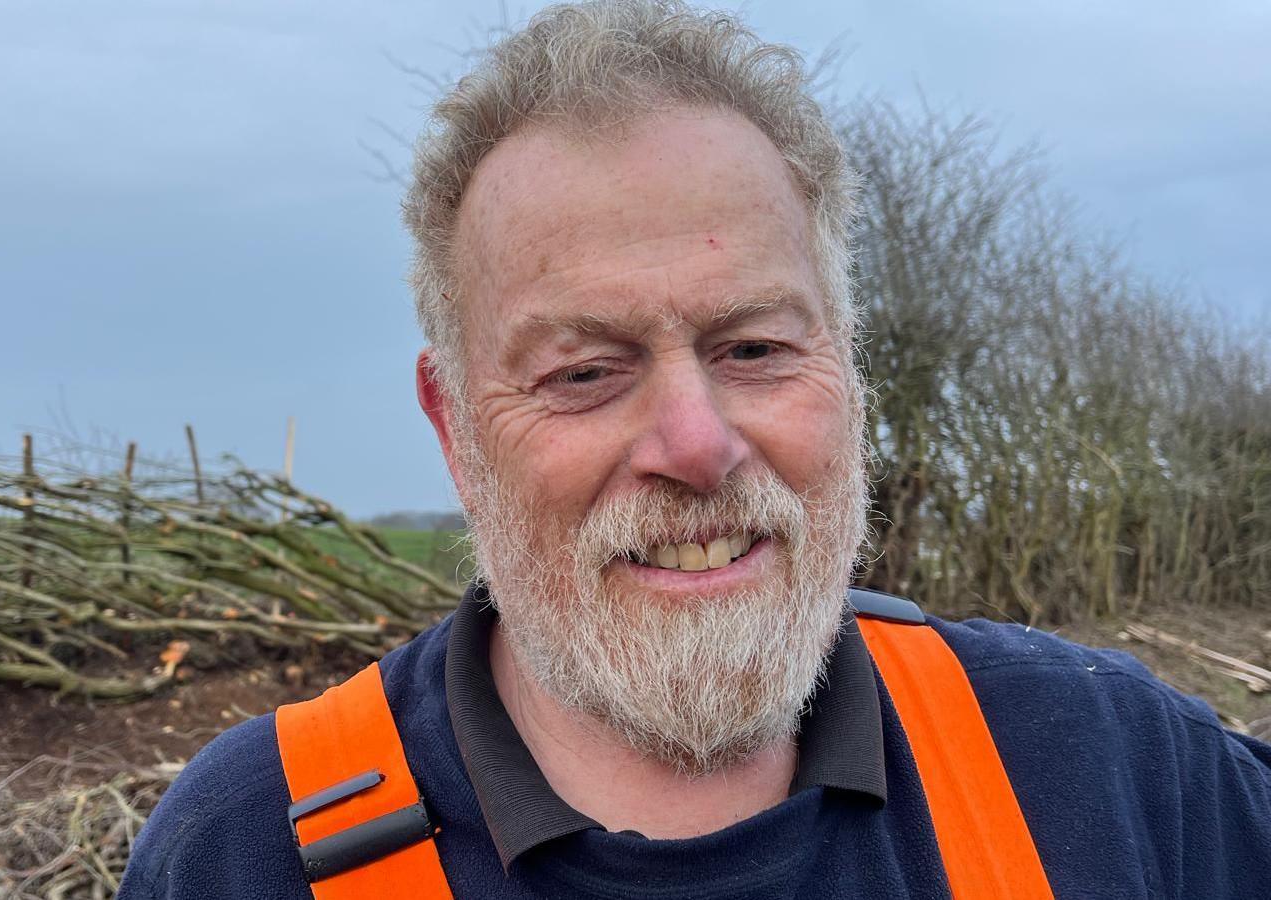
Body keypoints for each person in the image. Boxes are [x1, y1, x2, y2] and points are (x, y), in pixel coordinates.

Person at [118, 2, 1271, 897]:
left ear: (848, 367)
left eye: (756, 348)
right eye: (583, 371)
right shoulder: (246, 856)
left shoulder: (1105, 761)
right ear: (454, 429)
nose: (696, 444)